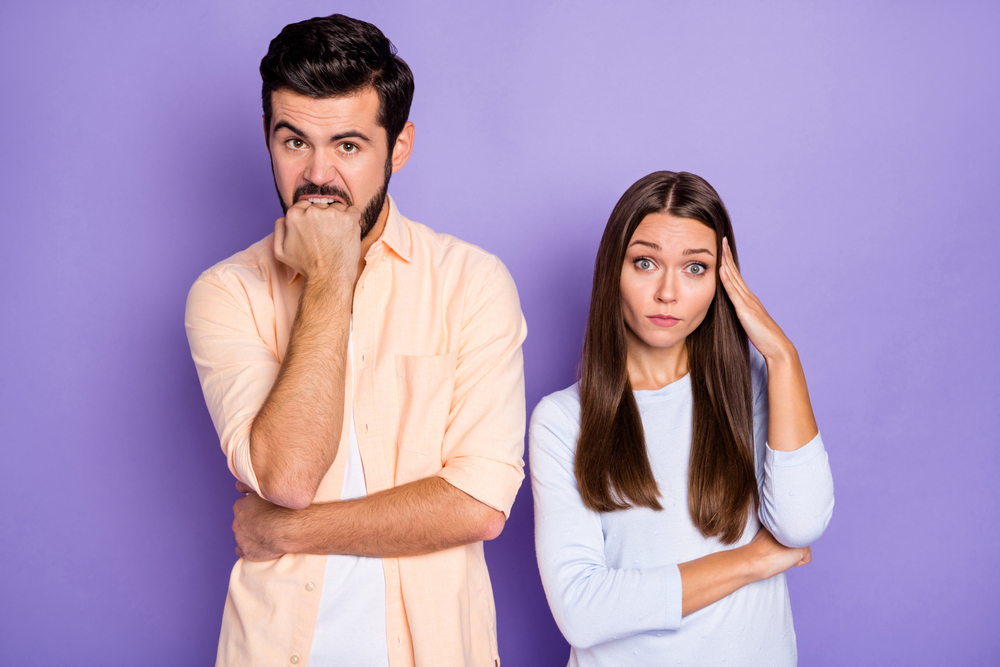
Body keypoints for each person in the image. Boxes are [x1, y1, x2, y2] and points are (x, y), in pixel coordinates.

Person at [185, 14, 527, 667]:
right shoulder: (227, 292)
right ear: (267, 139)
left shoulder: (472, 282)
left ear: (398, 148)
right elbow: (288, 473)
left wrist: (289, 530)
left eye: (347, 145)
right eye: (294, 142)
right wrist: (332, 274)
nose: (318, 174)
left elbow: (479, 503)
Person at [529, 171, 834, 666]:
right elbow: (582, 611)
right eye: (645, 263)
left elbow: (800, 524)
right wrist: (749, 562)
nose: (668, 292)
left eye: (695, 268)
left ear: (722, 281)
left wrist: (782, 356)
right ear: (614, 271)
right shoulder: (564, 421)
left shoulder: (756, 387)